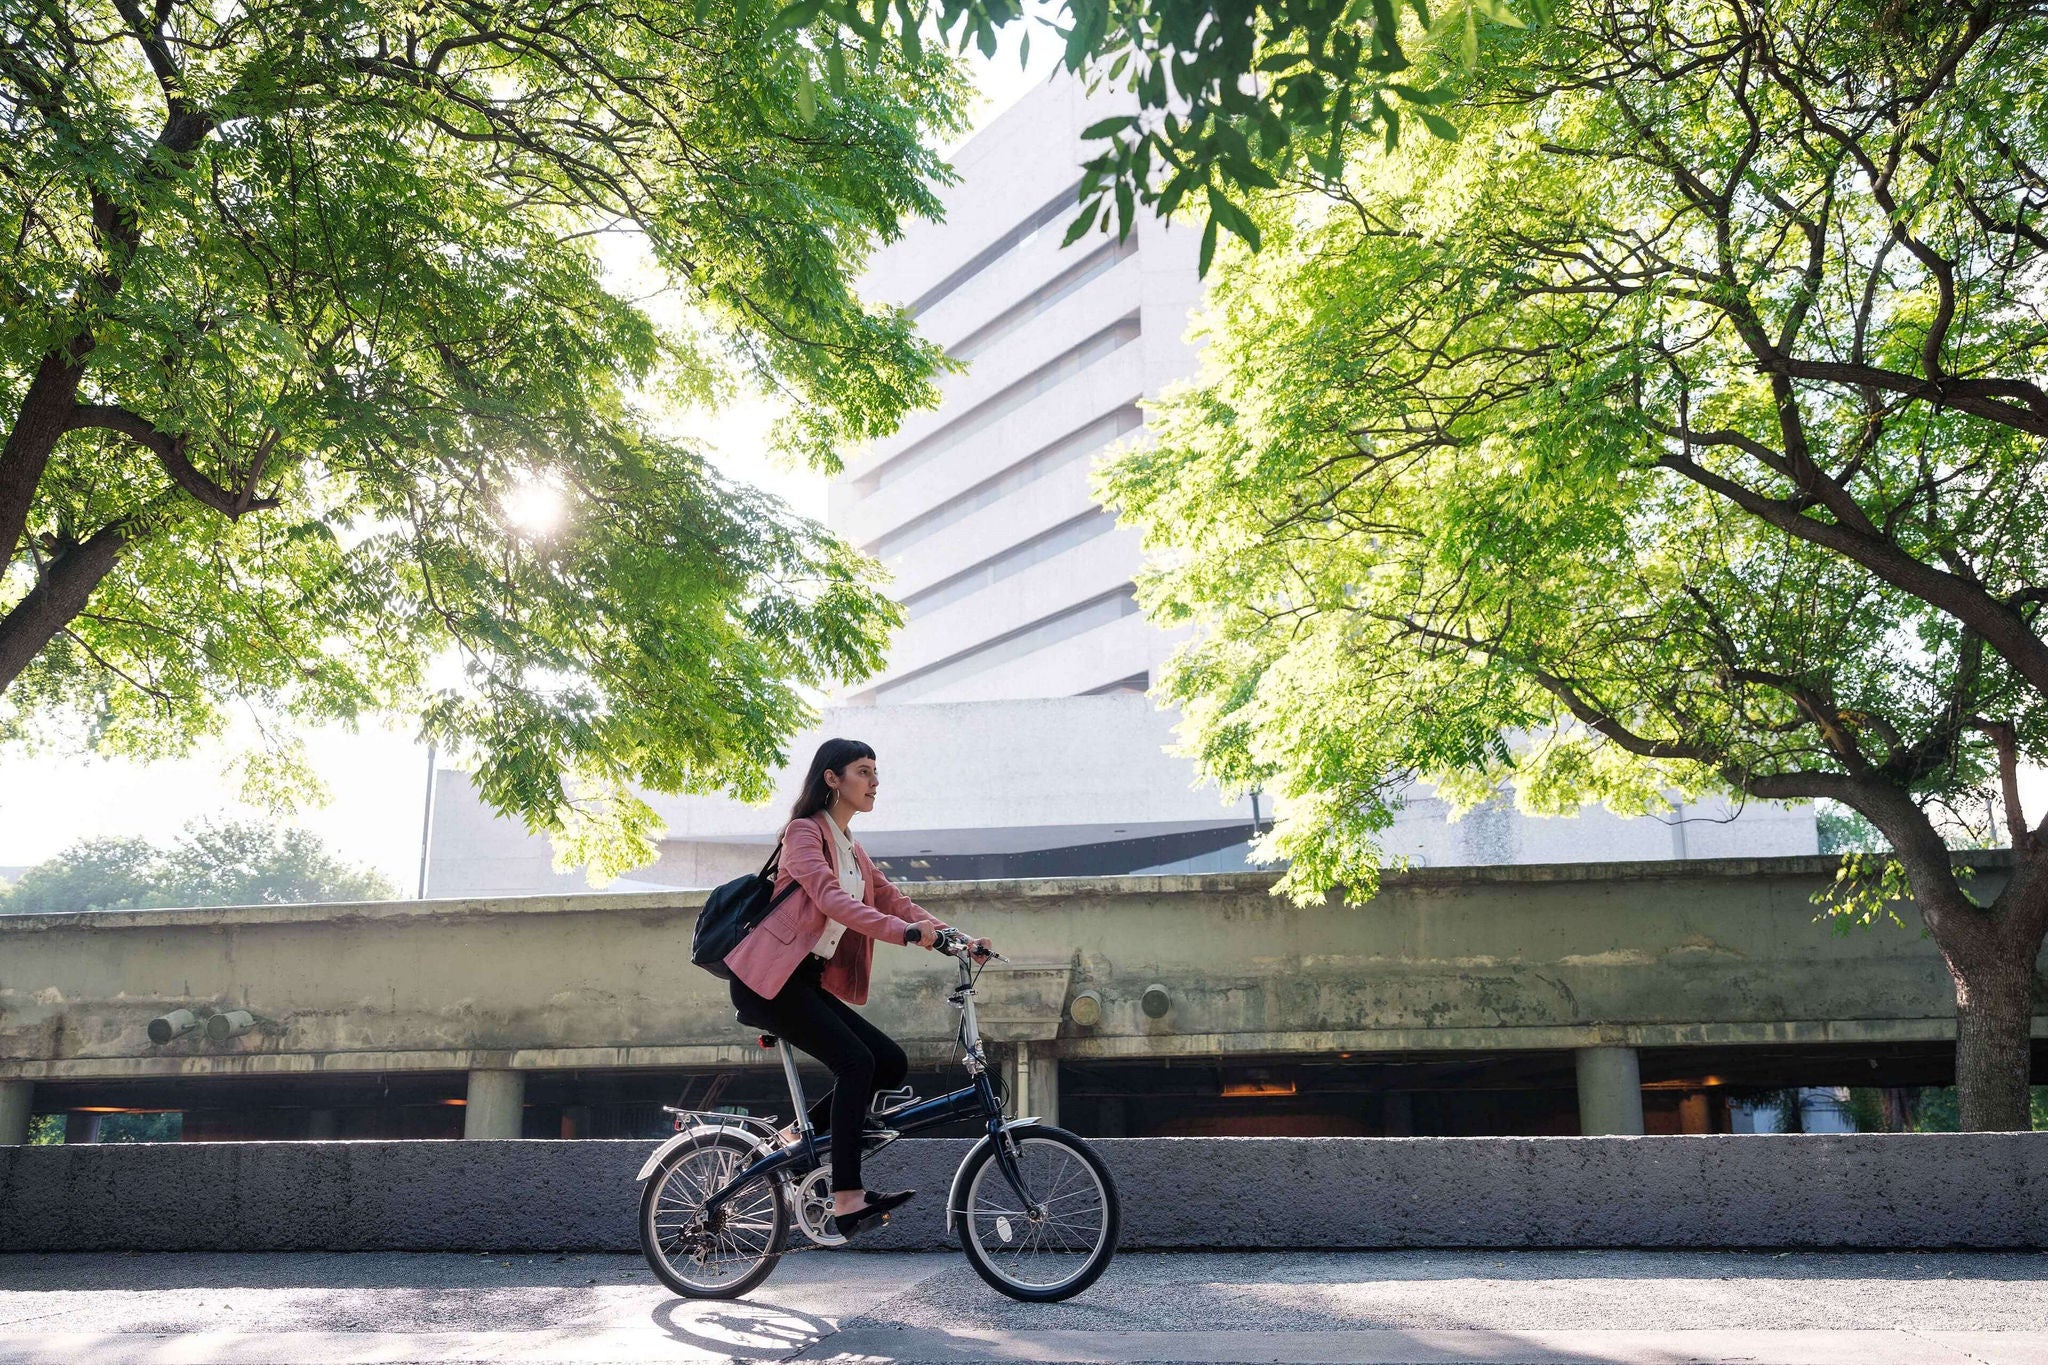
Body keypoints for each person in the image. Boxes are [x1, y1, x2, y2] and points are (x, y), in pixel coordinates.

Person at [722, 738, 993, 1239]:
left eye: (876, 772)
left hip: (801, 981)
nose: (874, 781)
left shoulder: (851, 846)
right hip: (766, 981)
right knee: (856, 1063)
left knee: (887, 1062)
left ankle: (792, 1141)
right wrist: (904, 935)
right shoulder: (803, 834)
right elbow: (827, 898)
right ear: (832, 778)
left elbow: (894, 899)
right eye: (863, 771)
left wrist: (956, 938)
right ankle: (847, 1198)